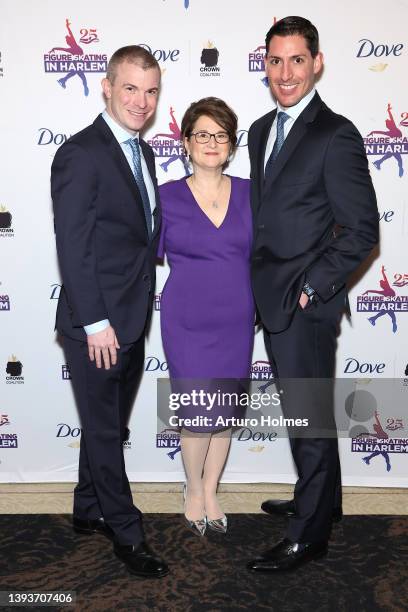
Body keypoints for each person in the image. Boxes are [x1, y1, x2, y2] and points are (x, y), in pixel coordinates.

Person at [247, 16, 379, 571]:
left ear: (317, 63)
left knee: (308, 416)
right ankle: (320, 501)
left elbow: (363, 229)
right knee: (306, 412)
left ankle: (309, 536)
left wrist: (312, 287)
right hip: (270, 297)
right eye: (275, 61)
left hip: (306, 303)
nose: (285, 73)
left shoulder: (336, 133)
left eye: (296, 60)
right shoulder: (258, 130)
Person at [51, 45, 169, 578]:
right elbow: (73, 247)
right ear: (106, 86)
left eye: (150, 91)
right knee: (104, 431)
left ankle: (87, 506)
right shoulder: (82, 153)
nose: (141, 101)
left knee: (107, 424)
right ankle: (126, 531)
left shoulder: (140, 153)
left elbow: (138, 237)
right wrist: (96, 323)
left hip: (132, 315)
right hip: (97, 324)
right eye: (130, 88)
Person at [158, 97, 254, 536]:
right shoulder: (165, 198)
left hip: (237, 318)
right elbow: (134, 255)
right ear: (185, 142)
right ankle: (192, 489)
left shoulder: (254, 193)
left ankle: (211, 489)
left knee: (225, 413)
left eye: (221, 135)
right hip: (186, 321)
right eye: (202, 134)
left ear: (232, 146)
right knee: (197, 413)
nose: (211, 143)